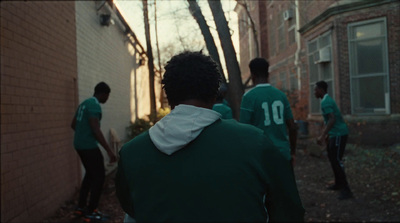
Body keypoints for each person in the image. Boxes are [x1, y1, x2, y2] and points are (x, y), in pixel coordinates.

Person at [116, 51, 305, 222]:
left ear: (168, 95)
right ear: (215, 95)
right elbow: (290, 211)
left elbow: (132, 210)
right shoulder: (256, 143)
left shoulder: (130, 153)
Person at [71, 82, 117, 221]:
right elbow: (95, 129)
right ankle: (91, 211)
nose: (107, 99)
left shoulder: (84, 103)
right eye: (107, 96)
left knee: (90, 175)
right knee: (99, 176)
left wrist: (82, 134)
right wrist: (109, 151)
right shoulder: (94, 105)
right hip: (88, 146)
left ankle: (81, 207)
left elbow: (73, 124)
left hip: (79, 144)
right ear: (102, 94)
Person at [240, 58, 298, 166]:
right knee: (283, 183)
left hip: (260, 155)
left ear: (253, 75)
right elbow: (292, 127)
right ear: (268, 74)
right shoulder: (281, 95)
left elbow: (244, 131)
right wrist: (293, 152)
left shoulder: (248, 97)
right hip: (282, 153)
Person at [314, 80, 353, 200]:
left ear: (321, 90)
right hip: (335, 134)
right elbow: (328, 120)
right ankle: (338, 183)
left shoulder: (325, 102)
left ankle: (346, 190)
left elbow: (332, 119)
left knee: (336, 160)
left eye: (315, 90)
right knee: (332, 158)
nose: (314, 92)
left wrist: (322, 135)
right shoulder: (326, 100)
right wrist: (327, 136)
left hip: (339, 134)